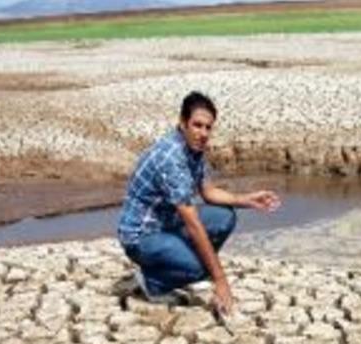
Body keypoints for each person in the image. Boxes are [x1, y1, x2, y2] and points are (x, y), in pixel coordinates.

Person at [117, 91, 280, 315]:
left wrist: (247, 200)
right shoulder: (171, 159)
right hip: (141, 236)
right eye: (197, 125)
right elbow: (193, 224)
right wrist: (219, 279)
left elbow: (208, 191)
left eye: (208, 128)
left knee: (225, 216)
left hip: (166, 223)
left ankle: (182, 267)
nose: (203, 133)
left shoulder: (194, 150)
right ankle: (153, 281)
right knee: (200, 267)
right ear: (183, 123)